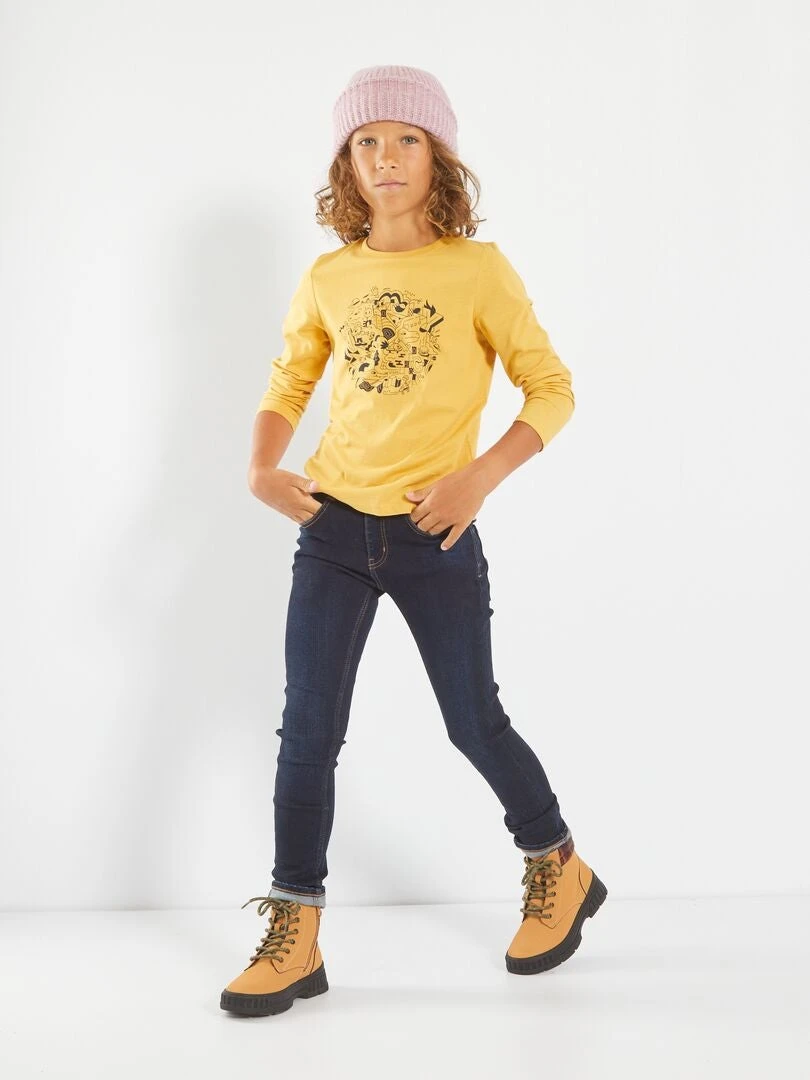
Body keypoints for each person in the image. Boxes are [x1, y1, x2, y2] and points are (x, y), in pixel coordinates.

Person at [220, 65, 606, 1018]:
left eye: (407, 139)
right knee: (307, 732)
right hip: (332, 529)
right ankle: (296, 927)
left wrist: (479, 478)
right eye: (366, 141)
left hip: (437, 531)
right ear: (345, 165)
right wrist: (262, 468)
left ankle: (557, 861)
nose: (385, 157)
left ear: (440, 159)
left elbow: (552, 387)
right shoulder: (330, 276)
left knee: (473, 721)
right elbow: (289, 380)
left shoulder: (478, 269)